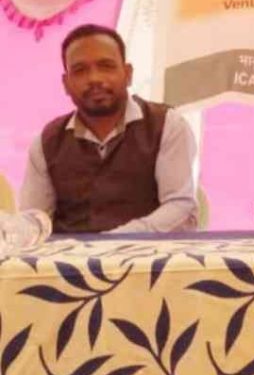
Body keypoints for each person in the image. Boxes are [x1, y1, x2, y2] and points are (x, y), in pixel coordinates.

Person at [19, 24, 199, 233]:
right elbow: (34, 218)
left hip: (147, 253)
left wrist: (115, 241)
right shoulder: (48, 142)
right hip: (70, 254)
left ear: (128, 74)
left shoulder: (166, 125)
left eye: (106, 66)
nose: (94, 79)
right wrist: (16, 230)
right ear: (66, 84)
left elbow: (180, 209)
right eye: (80, 70)